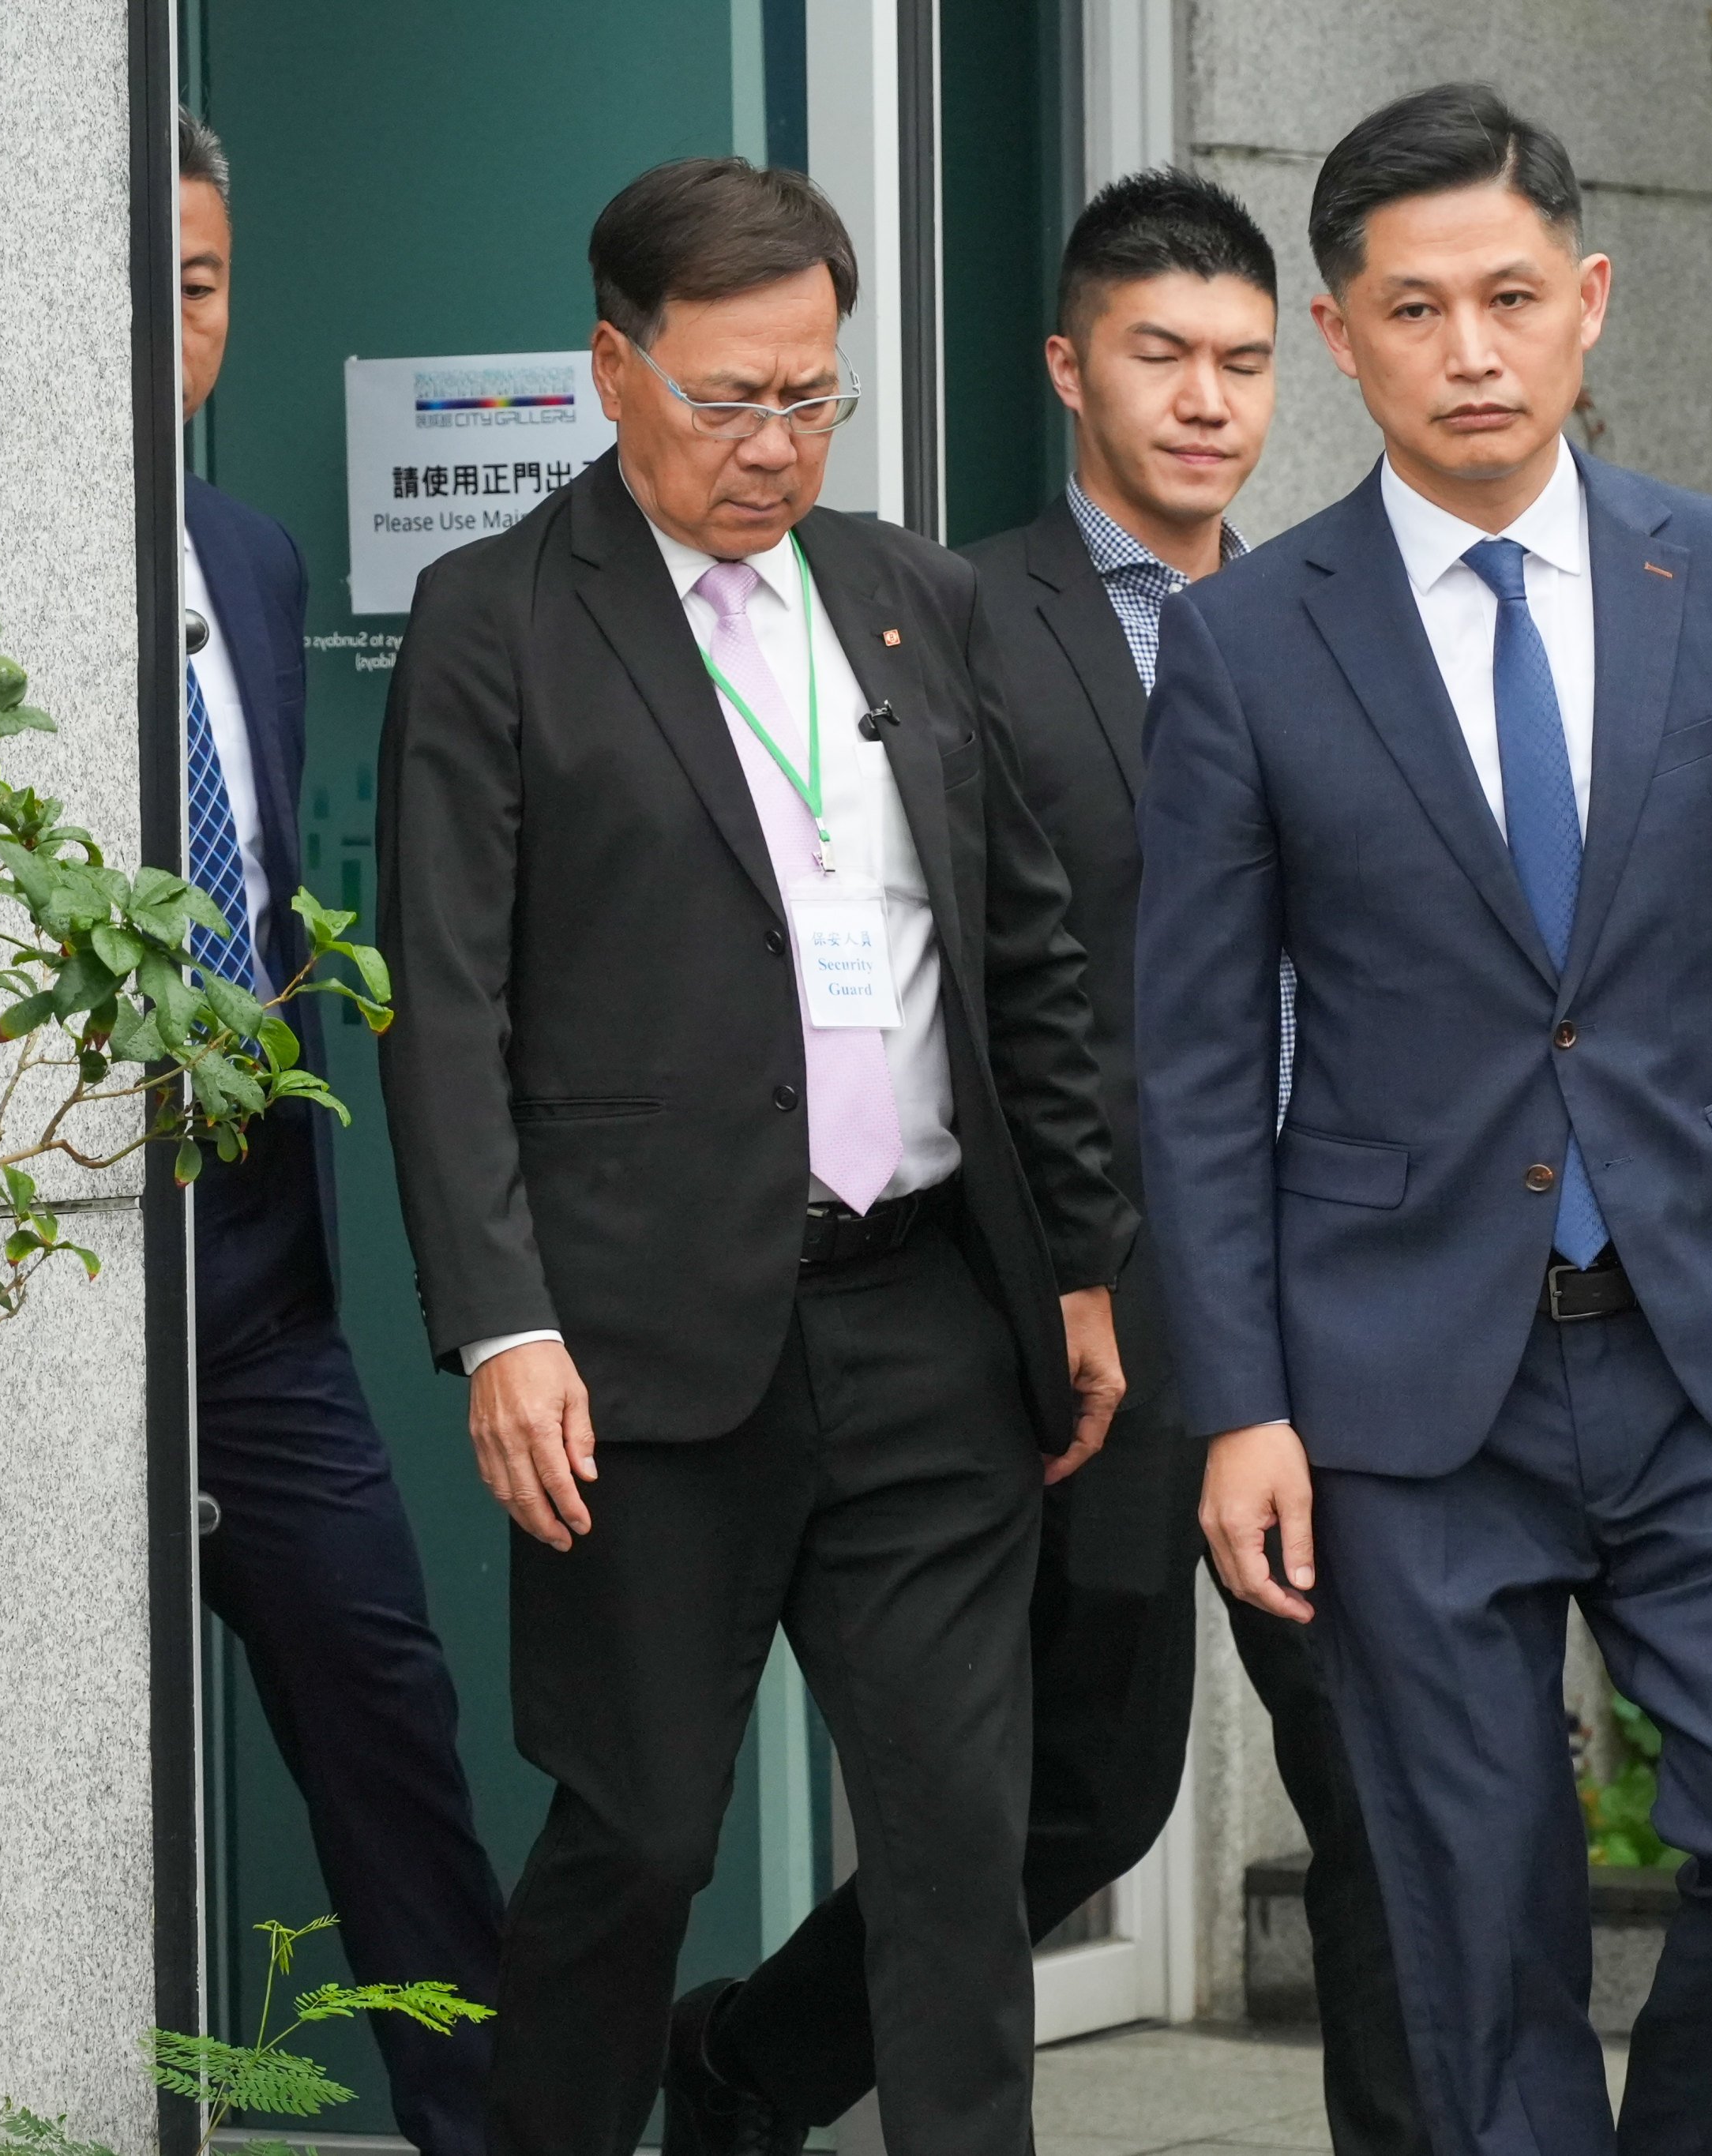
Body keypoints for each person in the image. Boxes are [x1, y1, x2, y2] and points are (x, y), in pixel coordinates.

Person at [1137, 84, 1712, 2156]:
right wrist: (1237, 1403)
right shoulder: (1250, 642)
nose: (1474, 350)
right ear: (1340, 338)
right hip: (1403, 1380)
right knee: (1470, 1926)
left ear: (1590, 301)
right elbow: (1188, 1048)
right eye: (1415, 311)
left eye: (1512, 296)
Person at [373, 156, 1132, 2156]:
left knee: (962, 1846)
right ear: (611, 371)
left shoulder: (909, 596)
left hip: (923, 1331)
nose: (776, 444)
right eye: (731, 397)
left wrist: (1071, 1261)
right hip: (641, 1351)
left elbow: (1021, 949)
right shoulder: (496, 622)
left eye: (814, 394)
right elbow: (444, 1011)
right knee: (639, 1840)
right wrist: (500, 1324)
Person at [662, 170, 1425, 2156]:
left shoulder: (1334, 623)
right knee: (1080, 1793)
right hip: (1089, 1297)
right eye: (1161, 356)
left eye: (1247, 365)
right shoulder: (954, 613)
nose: (1206, 402)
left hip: (1320, 1284)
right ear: (1068, 369)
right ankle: (749, 2059)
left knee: (1374, 1766)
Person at [174, 108, 505, 2156]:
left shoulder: (251, 557)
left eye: (201, 286)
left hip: (261, 1309)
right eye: (137, 279)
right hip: (48, 1285)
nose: (173, 325)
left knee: (391, 1734)